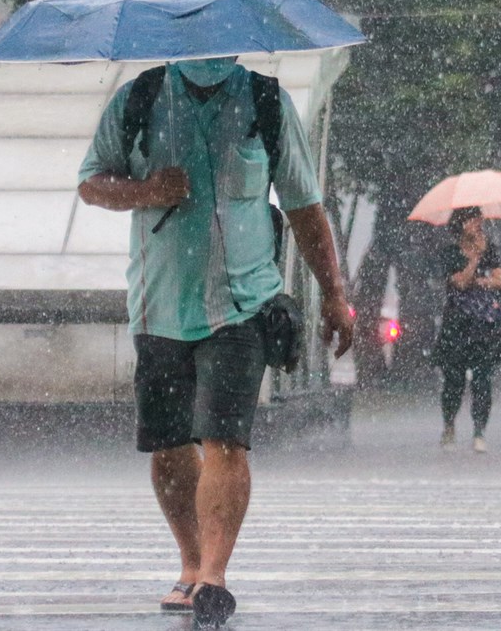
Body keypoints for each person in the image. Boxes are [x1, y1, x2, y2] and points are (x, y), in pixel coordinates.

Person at [77, 56, 353, 628]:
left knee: (225, 437)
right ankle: (190, 561)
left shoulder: (266, 104)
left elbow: (304, 205)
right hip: (158, 305)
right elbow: (91, 182)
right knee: (170, 444)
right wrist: (145, 190)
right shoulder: (143, 98)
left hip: (244, 306)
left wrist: (333, 293)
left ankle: (213, 577)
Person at [432, 207, 501, 453]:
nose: (478, 224)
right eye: (472, 220)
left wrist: (482, 279)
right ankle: (449, 424)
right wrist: (474, 259)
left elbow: (500, 280)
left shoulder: (491, 250)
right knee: (454, 381)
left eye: (479, 219)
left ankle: (479, 430)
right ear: (461, 224)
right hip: (457, 326)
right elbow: (460, 282)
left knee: (483, 380)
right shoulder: (450, 253)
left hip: (484, 326)